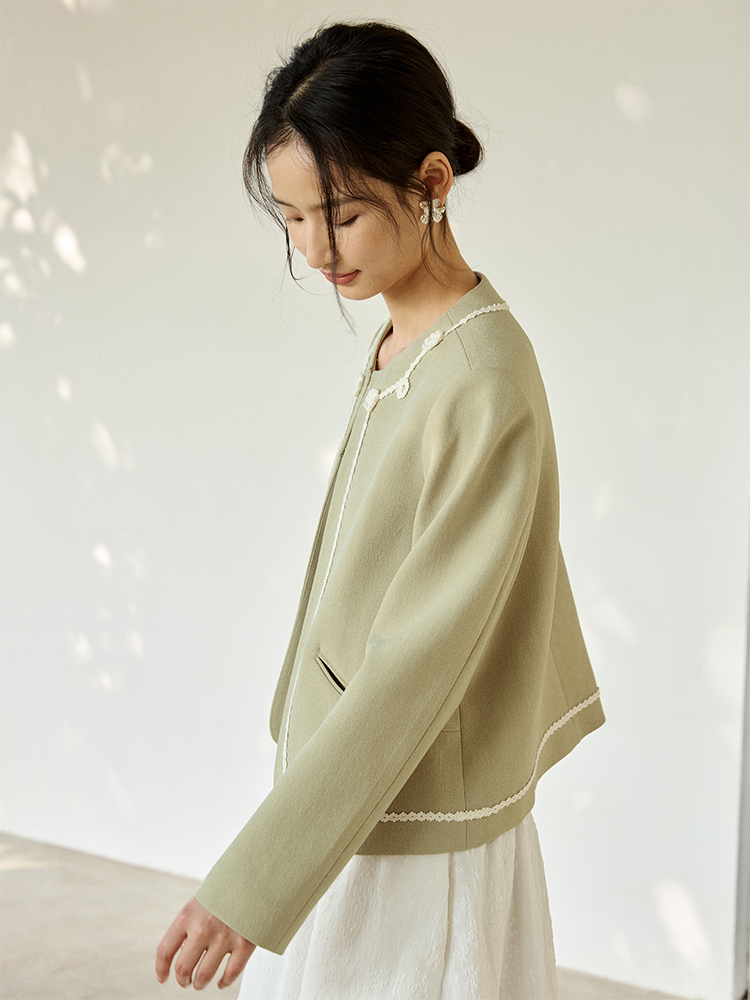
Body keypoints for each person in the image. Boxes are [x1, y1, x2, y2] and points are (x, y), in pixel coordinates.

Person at [156, 21, 604, 999]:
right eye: (292, 218)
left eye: (344, 215)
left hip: (418, 835)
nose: (316, 250)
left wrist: (252, 881)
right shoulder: (408, 341)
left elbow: (417, 662)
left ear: (431, 182)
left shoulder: (480, 374)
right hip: (361, 797)